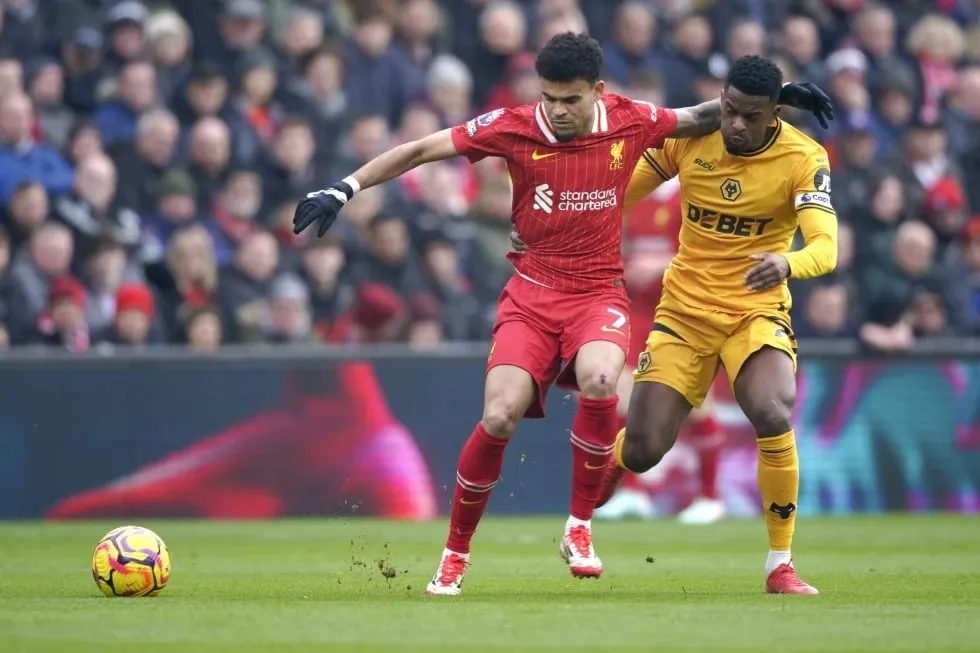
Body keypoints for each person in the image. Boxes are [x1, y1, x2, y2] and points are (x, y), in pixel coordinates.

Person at [293, 33, 832, 596]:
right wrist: (344, 187)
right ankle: (454, 555)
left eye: (570, 99)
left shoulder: (635, 119)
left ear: (597, 92)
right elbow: (422, 149)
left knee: (622, 384)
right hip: (538, 295)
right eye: (549, 97)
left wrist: (780, 97)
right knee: (505, 418)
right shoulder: (515, 125)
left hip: (612, 294)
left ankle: (587, 530)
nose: (557, 109)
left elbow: (706, 116)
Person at [595, 55, 838, 595]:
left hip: (756, 309)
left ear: (774, 113)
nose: (735, 124)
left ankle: (780, 563)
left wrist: (788, 262)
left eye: (750, 116)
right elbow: (614, 197)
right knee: (643, 449)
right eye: (728, 110)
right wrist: (554, 228)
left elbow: (825, 248)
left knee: (772, 409)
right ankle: (616, 458)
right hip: (683, 311)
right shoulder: (693, 137)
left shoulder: (804, 157)